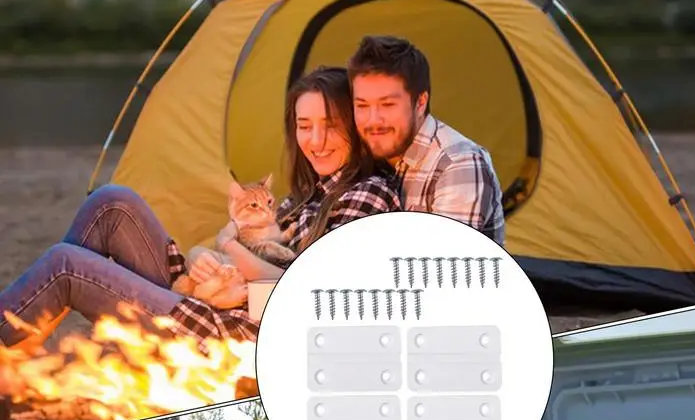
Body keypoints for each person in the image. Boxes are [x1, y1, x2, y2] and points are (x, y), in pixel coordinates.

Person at [0, 66, 400, 349]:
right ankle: (24, 339)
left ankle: (14, 333)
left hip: (228, 334)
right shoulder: (310, 195)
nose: (315, 140)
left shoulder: (365, 194)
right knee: (112, 202)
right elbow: (243, 254)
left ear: (355, 124)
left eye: (330, 124)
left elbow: (312, 298)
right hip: (213, 301)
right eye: (303, 125)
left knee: (66, 264)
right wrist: (203, 258)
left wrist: (230, 251)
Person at [347, 35, 505, 245]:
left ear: (420, 102)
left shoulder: (458, 163)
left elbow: (440, 270)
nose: (373, 120)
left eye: (387, 105)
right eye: (363, 106)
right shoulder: (363, 153)